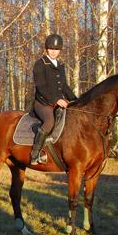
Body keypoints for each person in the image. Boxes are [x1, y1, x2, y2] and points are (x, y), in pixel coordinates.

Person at [30, 33, 77, 164]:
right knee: (50, 121)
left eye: (56, 49)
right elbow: (41, 86)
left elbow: (64, 86)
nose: (53, 51)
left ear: (60, 50)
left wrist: (75, 100)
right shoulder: (40, 64)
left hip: (58, 103)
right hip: (42, 103)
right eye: (51, 48)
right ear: (46, 49)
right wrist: (57, 100)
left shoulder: (60, 65)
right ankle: (35, 154)